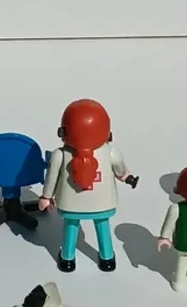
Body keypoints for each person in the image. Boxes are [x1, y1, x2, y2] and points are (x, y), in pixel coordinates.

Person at [39, 99, 138, 272]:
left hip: (70, 204)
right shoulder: (111, 153)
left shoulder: (60, 155)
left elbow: (51, 178)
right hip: (103, 203)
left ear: (64, 131)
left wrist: (46, 197)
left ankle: (67, 259)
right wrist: (127, 178)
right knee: (102, 226)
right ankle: (107, 258)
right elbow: (121, 171)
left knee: (71, 226)